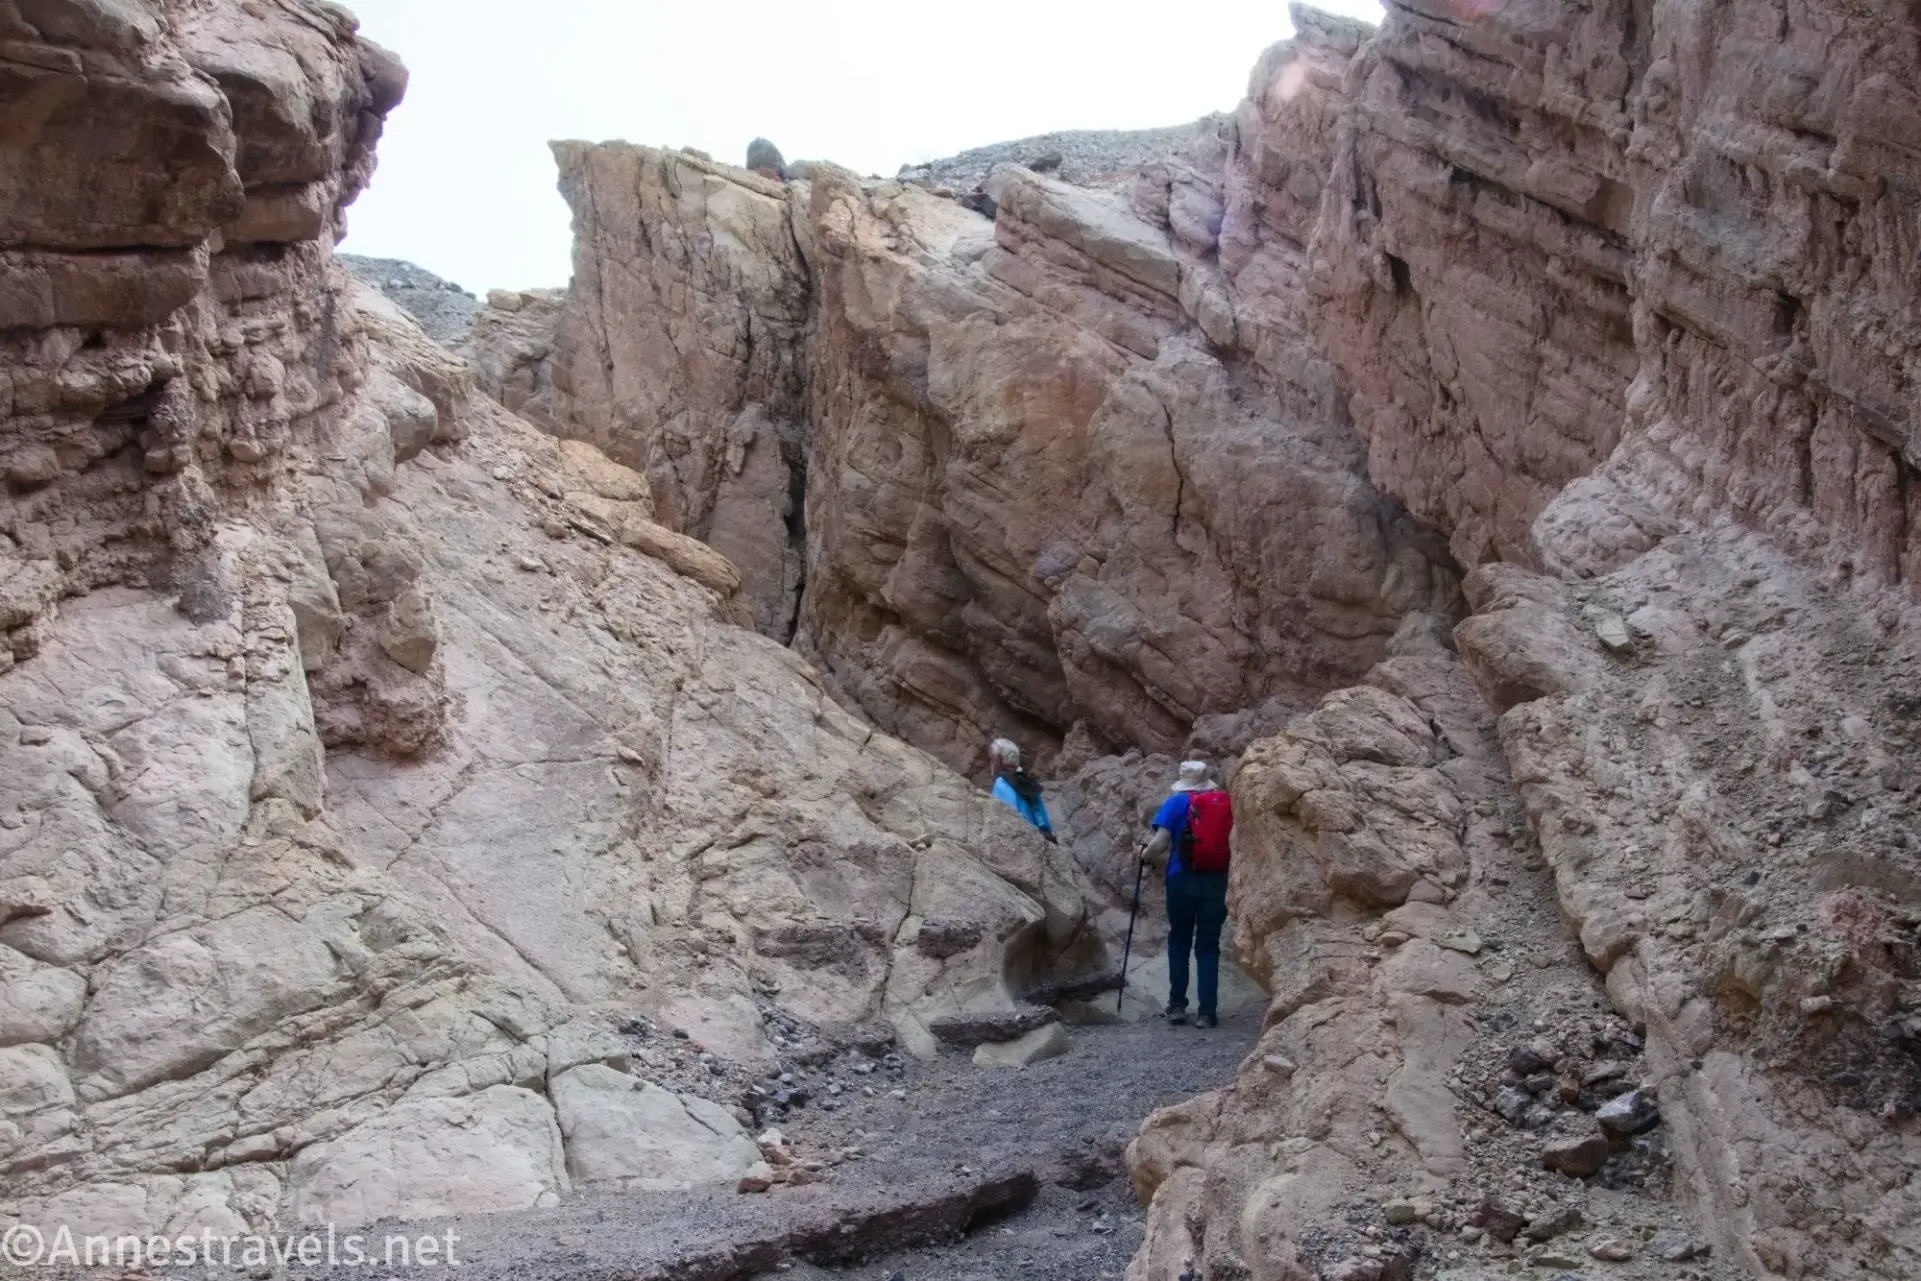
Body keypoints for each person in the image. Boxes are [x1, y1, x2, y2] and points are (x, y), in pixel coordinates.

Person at [1142, 760, 1234, 1028]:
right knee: (1208, 944)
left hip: (1182, 880)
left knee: (1180, 941)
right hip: (1217, 879)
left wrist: (1144, 855)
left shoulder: (1175, 803)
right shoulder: (1224, 804)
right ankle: (1207, 1012)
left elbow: (1159, 843)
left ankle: (1178, 1006)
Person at [988, 738, 1058, 843]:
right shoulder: (1027, 782)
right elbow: (1043, 820)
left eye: (994, 757)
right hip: (1040, 838)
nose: (991, 760)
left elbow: (1003, 819)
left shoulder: (1001, 783)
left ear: (1000, 759)